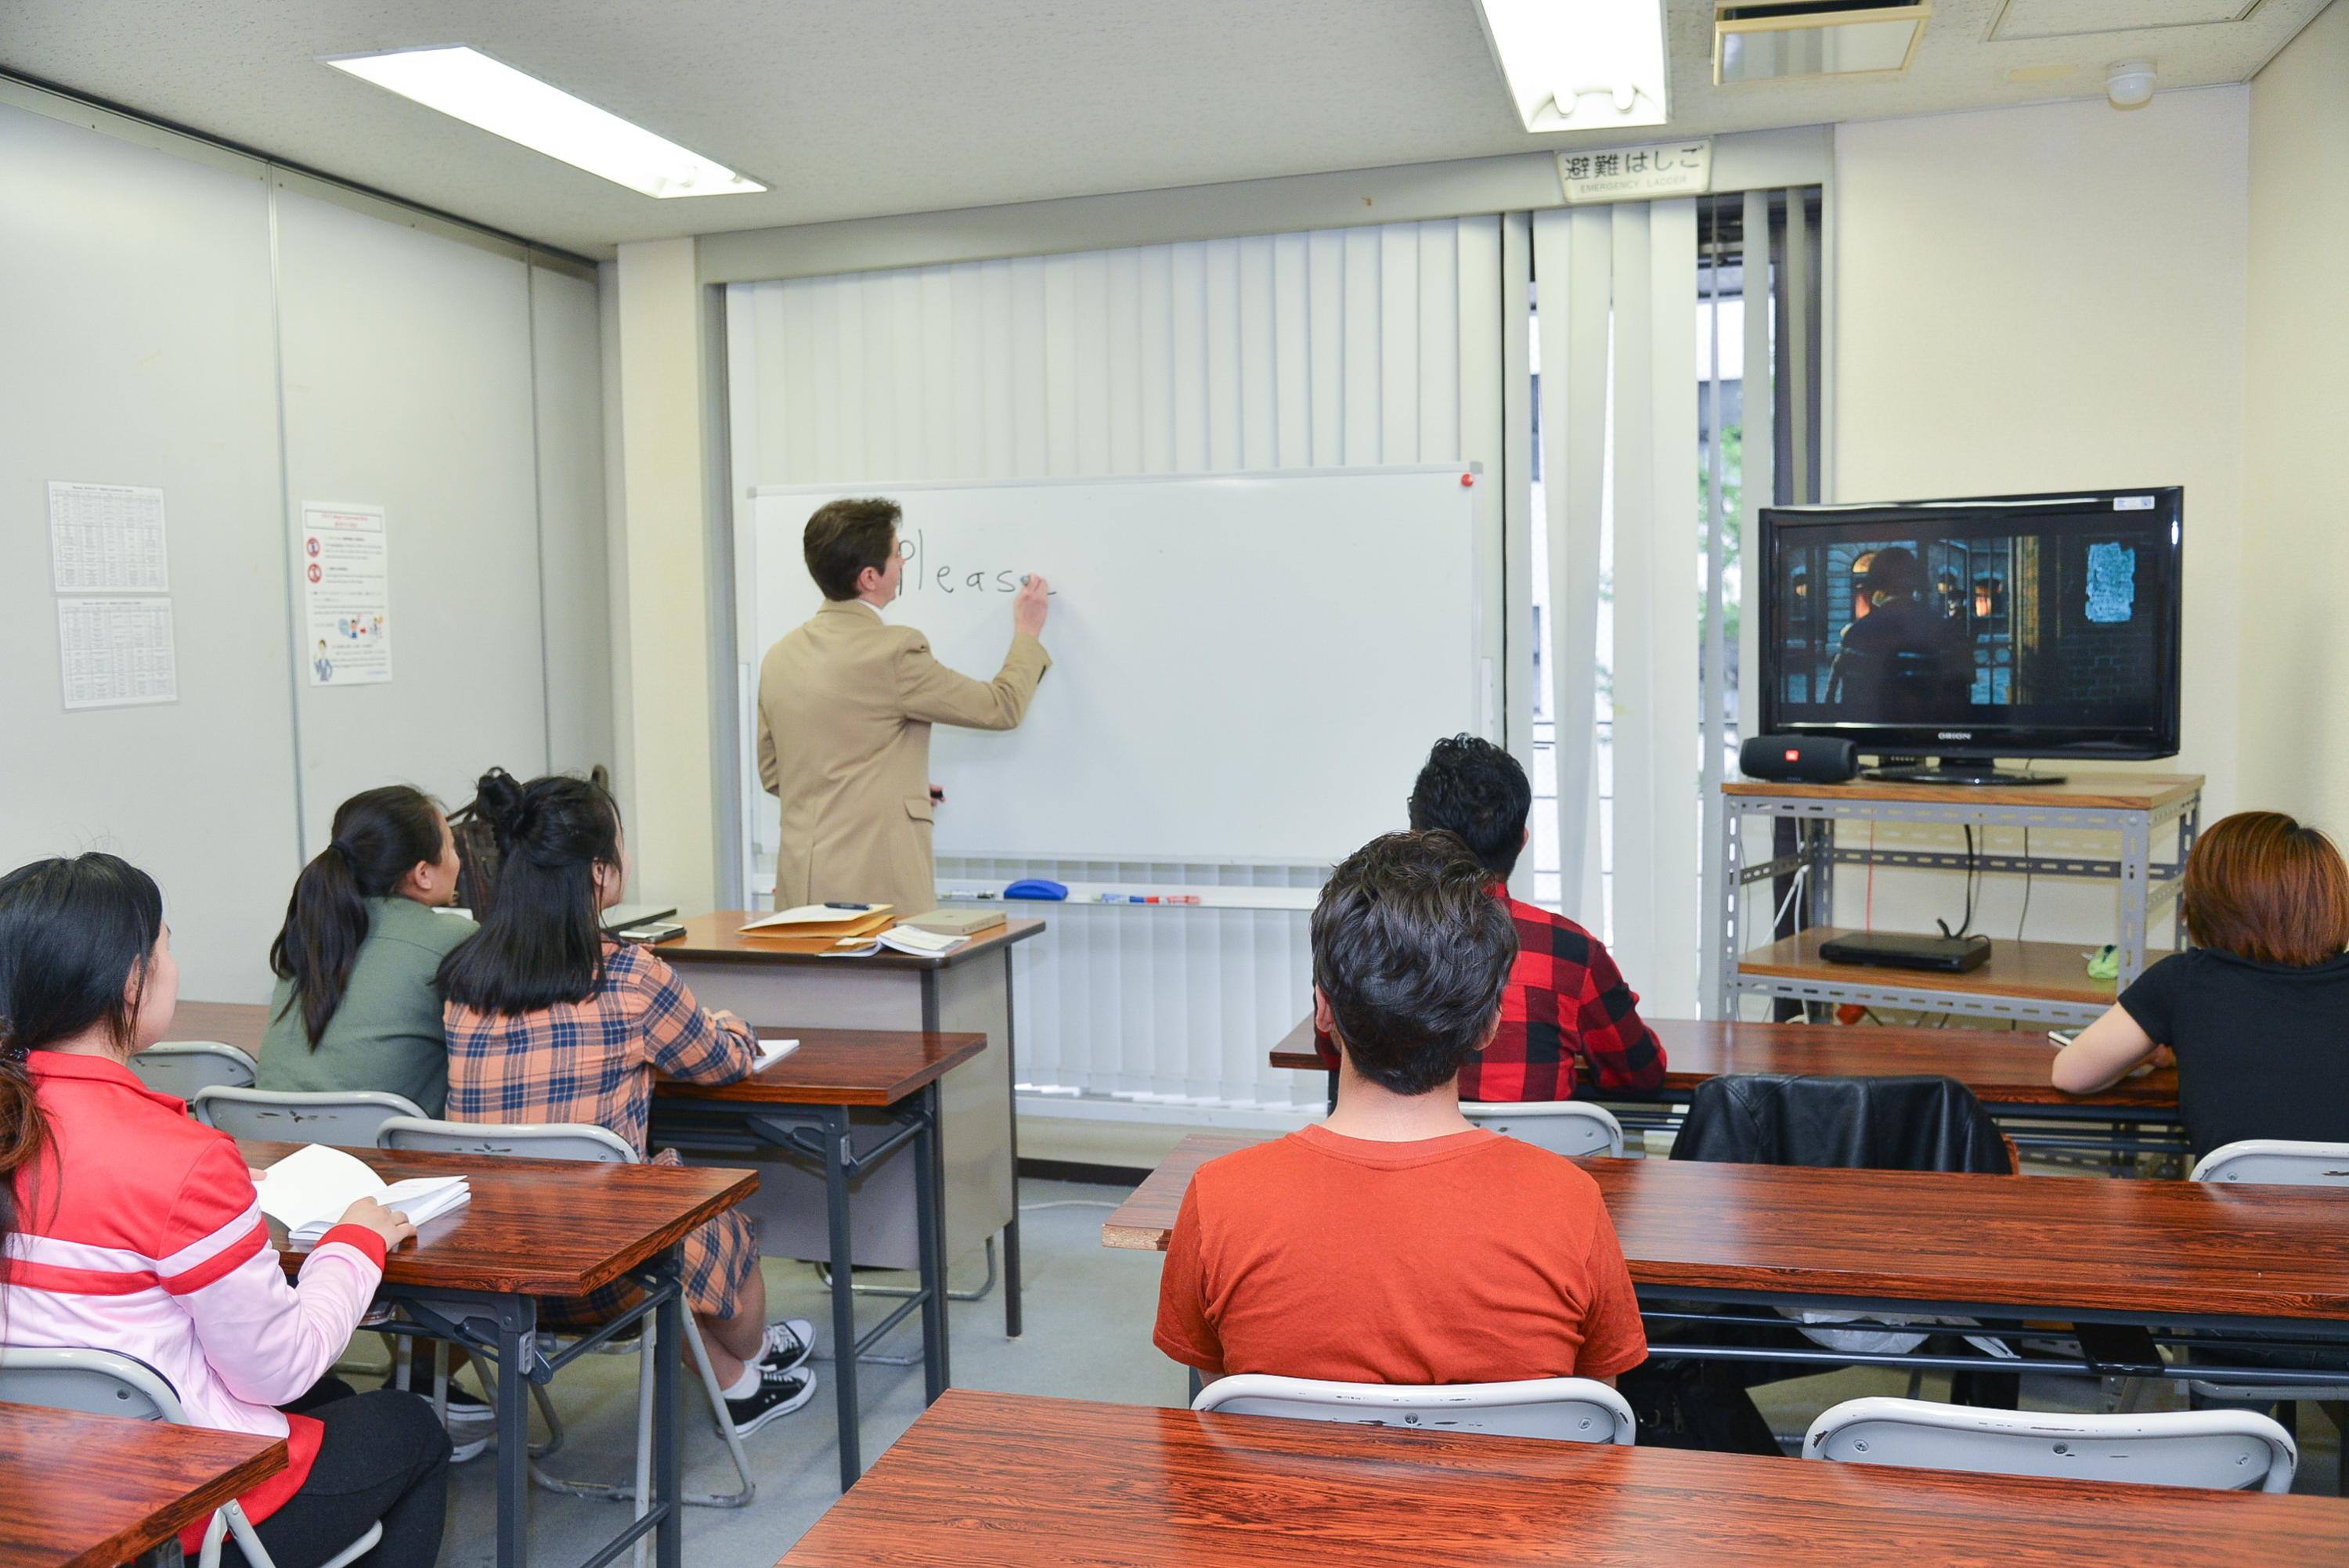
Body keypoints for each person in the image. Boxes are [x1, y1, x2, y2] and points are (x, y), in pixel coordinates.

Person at [0, 852, 449, 1568]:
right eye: (166, 944)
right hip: (170, 1509)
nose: (173, 965)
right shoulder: (179, 1157)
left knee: (335, 1394)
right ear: (130, 979)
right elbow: (276, 1371)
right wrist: (353, 1243)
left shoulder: (26, 1123)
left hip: (27, 1488)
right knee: (414, 1426)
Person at [1156, 829, 1649, 1387]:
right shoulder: (1571, 1206)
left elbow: (1212, 1412)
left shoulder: (1218, 1200)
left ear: (1323, 1007)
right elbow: (1596, 1422)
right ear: (1489, 1023)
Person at [436, 771, 816, 1436]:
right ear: (600, 874)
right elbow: (722, 1061)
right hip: (604, 1269)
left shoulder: (463, 979)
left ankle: (745, 1375)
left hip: (490, 1264)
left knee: (650, 1213)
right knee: (711, 1219)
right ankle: (748, 1373)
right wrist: (735, 1026)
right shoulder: (629, 973)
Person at [1311, 735, 1663, 1101]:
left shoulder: (1367, 930)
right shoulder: (1572, 952)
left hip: (1402, 1145)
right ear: (1522, 841)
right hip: (1534, 1154)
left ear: (1417, 837)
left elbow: (1336, 1053)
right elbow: (1642, 1075)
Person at [756, 497, 1052, 918]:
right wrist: (1028, 633)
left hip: (798, 891)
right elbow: (1001, 707)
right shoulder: (895, 650)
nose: (904, 564)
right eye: (898, 554)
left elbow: (776, 774)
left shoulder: (779, 656)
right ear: (870, 576)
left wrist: (890, 787)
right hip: (874, 894)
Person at [2053, 809, 2349, 1160]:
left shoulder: (2183, 980)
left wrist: (2147, 1052)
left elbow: (2070, 1075)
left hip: (2231, 1210)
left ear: (2210, 904)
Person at [262, 785, 474, 1117]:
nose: (458, 861)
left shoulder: (313, 930)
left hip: (270, 1146)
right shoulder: (454, 937)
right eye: (451, 847)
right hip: (379, 1156)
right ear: (422, 875)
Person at [1825, 546, 1970, 719]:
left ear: (1878, 584)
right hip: (1929, 737)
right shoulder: (1945, 629)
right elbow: (1959, 696)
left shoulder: (1857, 633)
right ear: (1916, 581)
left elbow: (1850, 702)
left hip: (1872, 737)